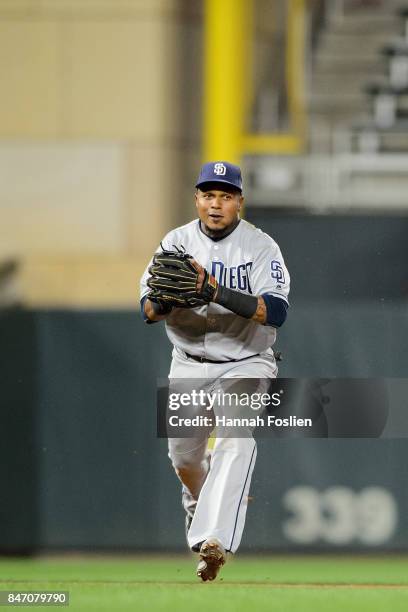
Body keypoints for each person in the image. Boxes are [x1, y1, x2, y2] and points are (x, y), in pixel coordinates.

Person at [140, 161, 290, 581]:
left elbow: (274, 311)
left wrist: (213, 291)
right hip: (187, 363)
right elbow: (148, 311)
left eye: (226, 195)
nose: (216, 203)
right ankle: (201, 501)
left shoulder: (261, 247)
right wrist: (169, 298)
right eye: (209, 194)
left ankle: (214, 541)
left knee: (236, 438)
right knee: (184, 459)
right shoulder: (175, 242)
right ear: (197, 199)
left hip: (246, 361)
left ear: (239, 201)